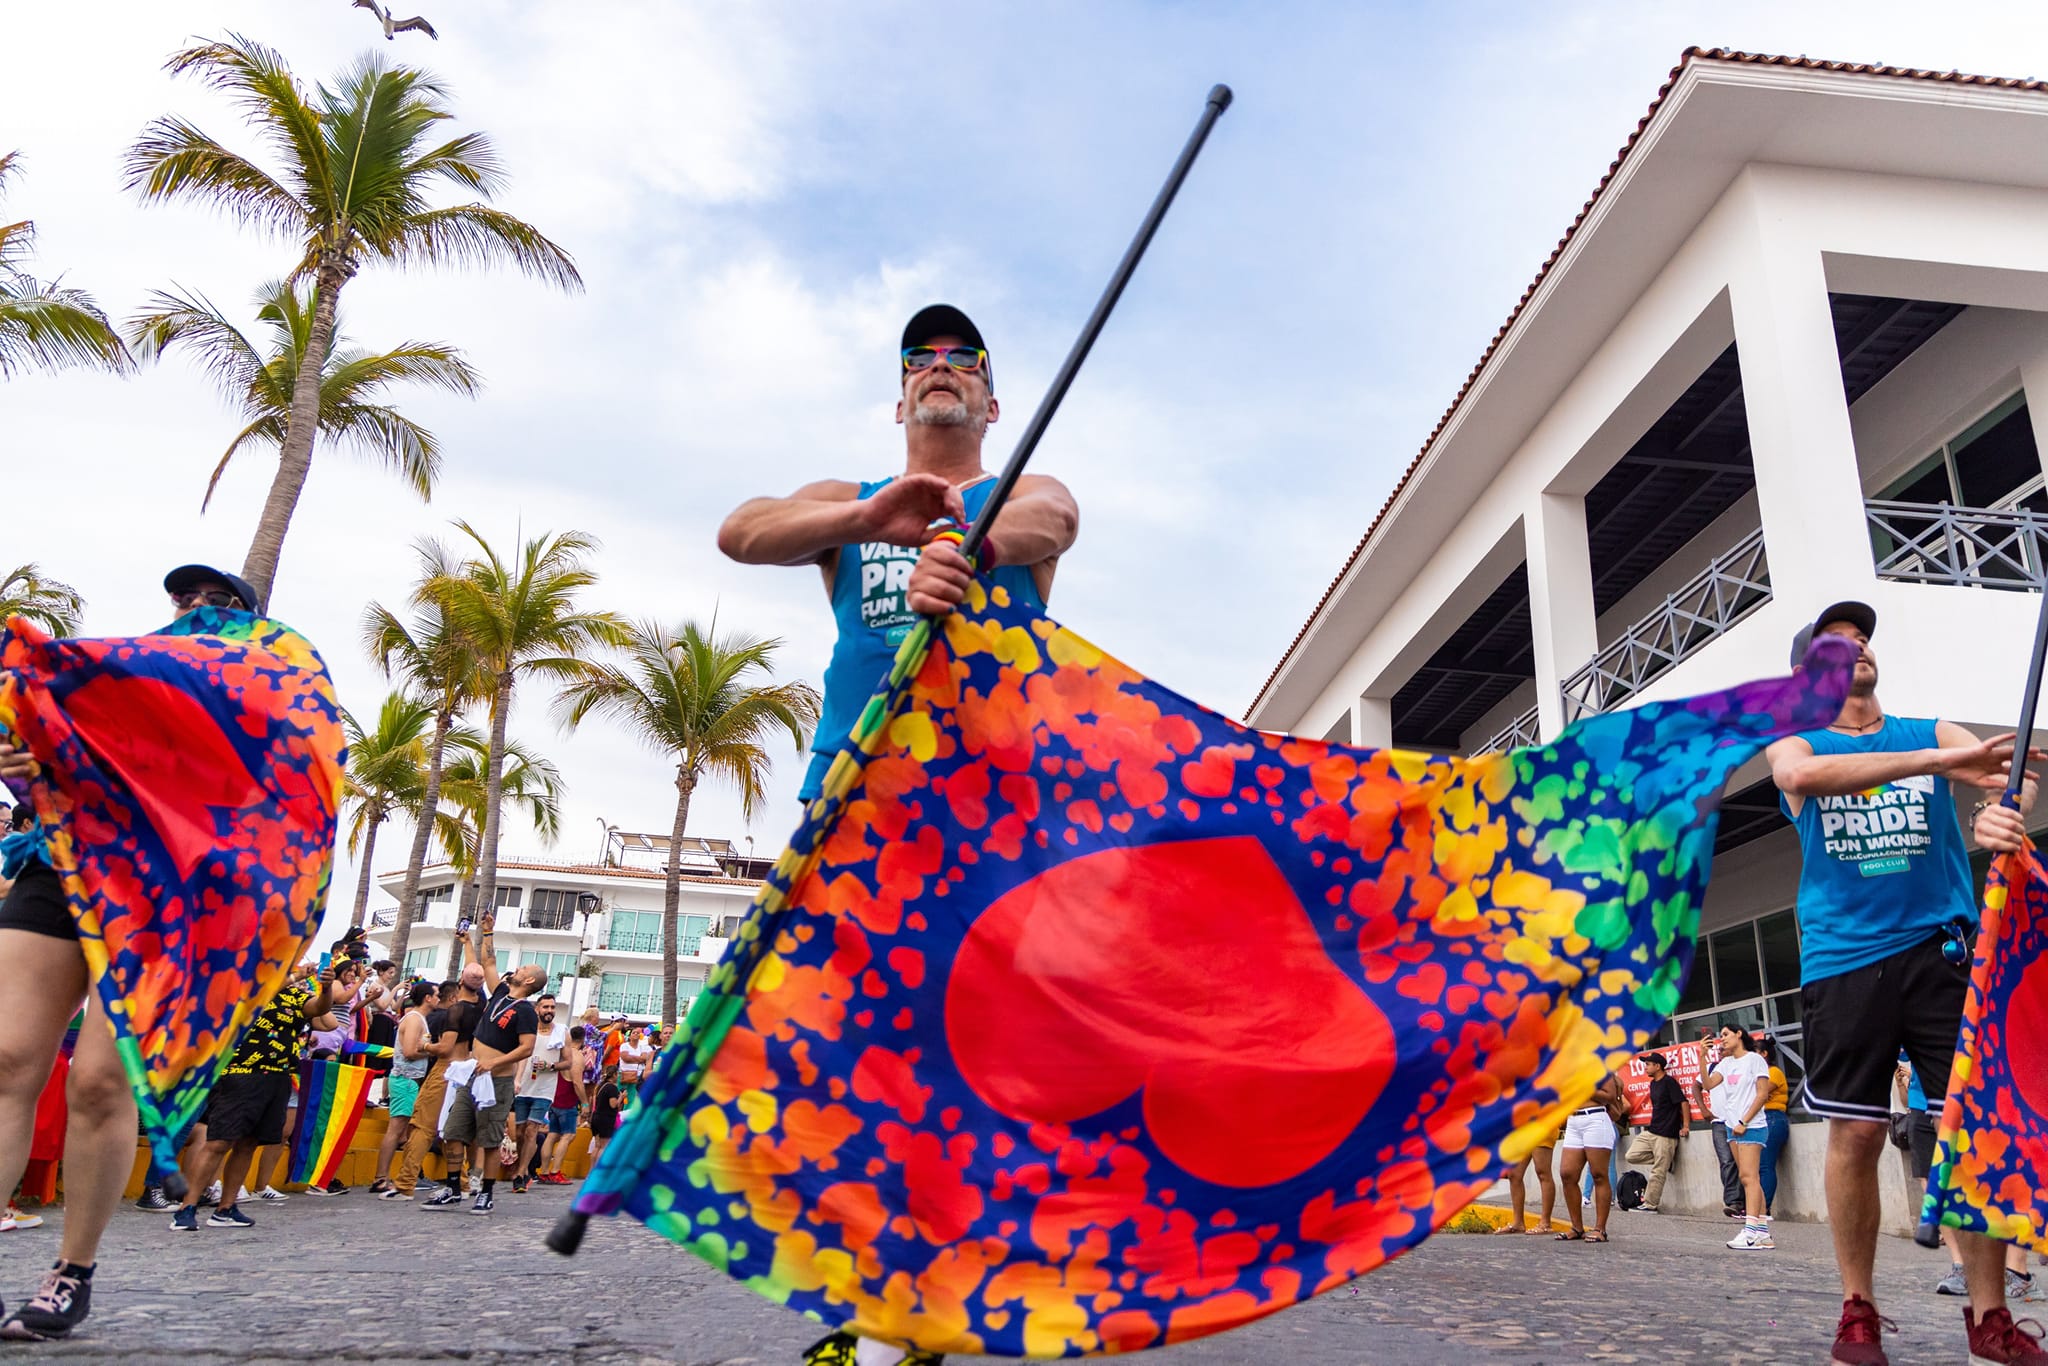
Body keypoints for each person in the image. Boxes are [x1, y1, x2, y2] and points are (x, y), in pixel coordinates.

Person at [1768, 600, 2046, 1364]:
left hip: (1945, 951)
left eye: (1861, 640)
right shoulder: (1799, 741)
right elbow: (1801, 774)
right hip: (1845, 958)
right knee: (1856, 1132)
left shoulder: (1932, 728)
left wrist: (2003, 813)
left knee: (1969, 1127)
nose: (1855, 648)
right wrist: (1935, 766)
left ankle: (1990, 1318)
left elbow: (2008, 777)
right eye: (1835, 644)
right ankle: (1857, 1307)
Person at [0, 565, 264, 1340]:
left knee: (99, 1087)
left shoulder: (259, 701)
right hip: (60, 866)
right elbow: (37, 759)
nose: (196, 609)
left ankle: (70, 1275)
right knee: (9, 1059)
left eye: (219, 602)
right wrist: (25, 764)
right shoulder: (108, 681)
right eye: (185, 598)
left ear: (249, 624)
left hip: (165, 897)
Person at [718, 302, 1080, 811]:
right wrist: (864, 520)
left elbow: (1058, 517)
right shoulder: (851, 499)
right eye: (919, 357)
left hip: (996, 783)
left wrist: (966, 547)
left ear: (992, 408)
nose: (939, 365)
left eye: (965, 358)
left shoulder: (1020, 491)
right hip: (855, 780)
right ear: (899, 406)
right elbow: (741, 532)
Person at [170, 953, 336, 1232]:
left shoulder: (293, 997)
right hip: (241, 1074)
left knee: (248, 1144)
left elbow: (320, 1011)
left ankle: (226, 1208)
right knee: (218, 1142)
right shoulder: (243, 986)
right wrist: (295, 976)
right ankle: (187, 1208)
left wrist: (327, 987)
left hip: (278, 1077)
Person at [438, 915, 541, 1215]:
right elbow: (489, 963)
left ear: (530, 980)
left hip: (496, 1080)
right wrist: (487, 931)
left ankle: (486, 1192)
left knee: (490, 1140)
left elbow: (527, 1047)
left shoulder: (525, 1011)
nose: (517, 969)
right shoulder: (499, 993)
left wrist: (494, 1062)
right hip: (473, 1074)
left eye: (523, 969)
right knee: (454, 1132)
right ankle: (453, 1188)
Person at [1703, 1026, 1774, 1250]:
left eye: (1725, 1035)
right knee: (1749, 1179)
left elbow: (1763, 1093)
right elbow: (1707, 1085)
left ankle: (1751, 1231)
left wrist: (1744, 1121)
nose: (1722, 1039)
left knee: (1748, 1177)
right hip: (1731, 1126)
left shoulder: (1754, 1060)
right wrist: (1701, 1058)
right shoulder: (1726, 1063)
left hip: (1751, 1125)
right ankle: (1762, 1233)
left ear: (1739, 1034)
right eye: (1720, 1036)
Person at [393, 978, 464, 1202]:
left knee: (422, 1127)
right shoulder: (466, 1015)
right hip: (458, 1072)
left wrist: (425, 1047)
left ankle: (406, 1183)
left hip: (439, 1074)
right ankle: (462, 1182)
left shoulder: (441, 1017)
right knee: (450, 1131)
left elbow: (442, 1048)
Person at [371, 981, 436, 1196]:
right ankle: (381, 1178)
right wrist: (433, 1051)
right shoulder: (415, 1019)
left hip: (410, 1080)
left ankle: (397, 1175)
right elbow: (409, 1051)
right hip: (405, 1079)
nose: (438, 998)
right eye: (435, 994)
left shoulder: (419, 1019)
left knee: (403, 1129)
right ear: (427, 997)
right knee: (396, 1129)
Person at [1554, 1073, 1620, 1242]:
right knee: (1567, 1174)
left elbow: (1609, 1096)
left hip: (1595, 1118)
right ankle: (1576, 1227)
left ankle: (1600, 1229)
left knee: (1599, 1174)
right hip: (1574, 1120)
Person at [511, 991, 565, 1193]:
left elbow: (568, 1061)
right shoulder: (527, 1031)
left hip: (544, 1089)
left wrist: (551, 1066)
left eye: (552, 1007)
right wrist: (516, 1079)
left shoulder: (561, 1032)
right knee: (519, 1132)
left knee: (532, 1130)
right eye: (546, 1007)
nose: (549, 1011)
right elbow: (519, 1055)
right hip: (523, 1087)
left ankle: (521, 1173)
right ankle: (523, 1169)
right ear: (537, 1009)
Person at [1629, 1052, 1694, 1212]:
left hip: (1666, 1133)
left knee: (1658, 1171)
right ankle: (1666, 1161)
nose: (1646, 1067)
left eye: (1648, 1064)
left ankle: (1650, 1204)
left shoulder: (1669, 1082)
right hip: (1652, 1130)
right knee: (1631, 1155)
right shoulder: (1653, 1084)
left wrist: (1685, 1126)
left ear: (1657, 1066)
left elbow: (1683, 1103)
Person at [1698, 1025, 1746, 1220]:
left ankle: (1751, 1206)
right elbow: (1701, 1085)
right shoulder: (1717, 1067)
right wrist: (1703, 1109)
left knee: (1744, 1164)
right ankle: (1734, 1202)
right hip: (1719, 1122)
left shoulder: (1746, 1062)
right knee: (1727, 1162)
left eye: (1723, 1045)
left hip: (1740, 1121)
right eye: (1718, 1048)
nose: (1720, 1049)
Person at [539, 1024, 589, 1185]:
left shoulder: (561, 1053)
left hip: (555, 1096)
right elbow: (577, 1082)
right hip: (567, 1100)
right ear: (582, 1039)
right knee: (568, 1135)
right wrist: (585, 1103)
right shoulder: (577, 1056)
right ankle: (555, 1171)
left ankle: (545, 1171)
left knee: (553, 1134)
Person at [1755, 1033, 1792, 1215]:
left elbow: (1757, 1092)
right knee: (1760, 1167)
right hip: (1762, 1119)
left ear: (1763, 1054)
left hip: (1773, 1119)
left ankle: (1764, 1208)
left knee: (1765, 1166)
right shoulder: (1760, 1074)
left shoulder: (1773, 1072)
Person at [587, 1065, 623, 1164]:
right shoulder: (612, 1087)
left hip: (596, 1117)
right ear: (615, 1074)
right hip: (605, 1119)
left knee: (597, 1146)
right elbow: (613, 1104)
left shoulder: (600, 1086)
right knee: (604, 1147)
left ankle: (591, 1172)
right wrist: (621, 1097)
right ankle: (598, 1173)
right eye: (618, 1074)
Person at [617, 1025, 652, 1094]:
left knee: (635, 1095)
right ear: (629, 1036)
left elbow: (644, 1059)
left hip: (638, 1076)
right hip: (625, 1075)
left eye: (638, 1033)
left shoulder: (642, 1047)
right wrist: (639, 1059)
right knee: (623, 1096)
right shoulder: (624, 1046)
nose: (636, 1034)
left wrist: (631, 1058)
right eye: (633, 1032)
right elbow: (625, 1058)